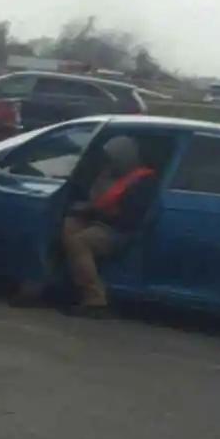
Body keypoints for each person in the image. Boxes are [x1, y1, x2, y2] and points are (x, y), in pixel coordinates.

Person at [57, 136, 156, 317]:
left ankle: (95, 299)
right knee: (66, 228)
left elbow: (129, 217)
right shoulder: (111, 175)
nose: (109, 163)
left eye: (112, 159)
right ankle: (63, 283)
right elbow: (97, 198)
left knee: (79, 242)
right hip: (100, 221)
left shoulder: (142, 182)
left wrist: (94, 212)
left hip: (120, 230)